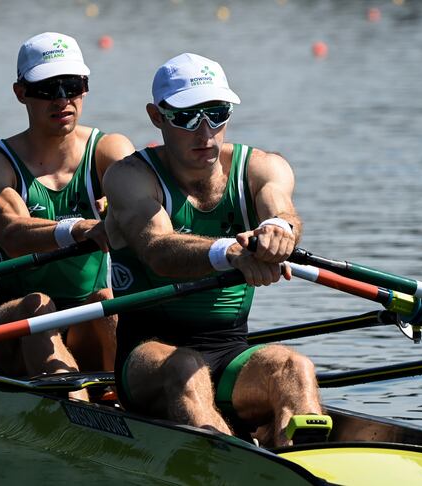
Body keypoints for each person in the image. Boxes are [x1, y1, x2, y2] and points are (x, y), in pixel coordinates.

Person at [103, 53, 326, 446]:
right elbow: (158, 248)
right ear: (157, 116)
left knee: (295, 368)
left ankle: (306, 460)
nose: (205, 132)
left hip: (230, 354)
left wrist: (279, 231)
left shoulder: (262, 167)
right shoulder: (130, 177)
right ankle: (235, 461)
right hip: (147, 357)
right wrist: (229, 254)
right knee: (184, 367)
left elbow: (282, 209)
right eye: (187, 116)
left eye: (217, 113)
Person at [0, 32, 135, 401]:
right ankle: (79, 409)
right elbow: (12, 233)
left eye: (73, 85)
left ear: (86, 88)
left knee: (108, 298)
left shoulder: (110, 150)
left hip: (87, 326)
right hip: (14, 327)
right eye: (47, 88)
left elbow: (148, 213)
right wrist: (79, 228)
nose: (62, 99)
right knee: (39, 304)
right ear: (20, 92)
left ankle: (121, 399)